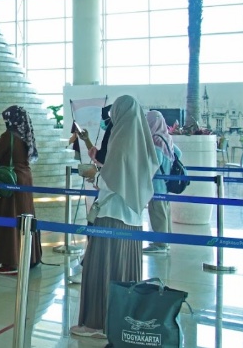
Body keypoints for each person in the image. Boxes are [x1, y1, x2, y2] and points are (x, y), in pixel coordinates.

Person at [70, 95, 158, 340]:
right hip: (132, 218)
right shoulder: (141, 140)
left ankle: (98, 323)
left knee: (102, 268)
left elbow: (112, 178)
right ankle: (121, 322)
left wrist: (94, 177)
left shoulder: (122, 139)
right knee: (123, 270)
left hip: (111, 216)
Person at [0, 105, 43, 275]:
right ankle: (30, 256)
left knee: (8, 217)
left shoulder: (8, 135)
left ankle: (10, 261)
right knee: (26, 217)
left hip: (10, 181)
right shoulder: (26, 134)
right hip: (25, 178)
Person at [144, 110, 181, 254]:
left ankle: (160, 244)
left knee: (157, 211)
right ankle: (166, 240)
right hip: (166, 182)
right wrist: (169, 164)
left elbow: (155, 161)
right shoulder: (167, 137)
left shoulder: (155, 139)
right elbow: (178, 153)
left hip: (157, 183)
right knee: (165, 210)